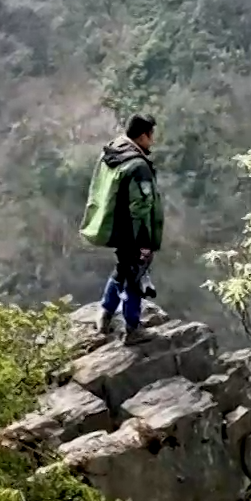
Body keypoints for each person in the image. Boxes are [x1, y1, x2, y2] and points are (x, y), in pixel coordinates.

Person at [84, 114, 164, 343]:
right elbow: (141, 207)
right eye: (151, 135)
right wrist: (145, 243)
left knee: (122, 269)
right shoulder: (138, 166)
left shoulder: (112, 151)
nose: (153, 141)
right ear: (142, 135)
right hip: (134, 232)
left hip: (114, 226)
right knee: (135, 275)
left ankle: (105, 314)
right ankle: (132, 328)